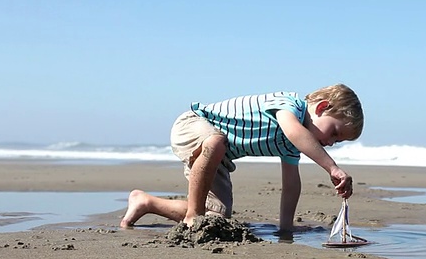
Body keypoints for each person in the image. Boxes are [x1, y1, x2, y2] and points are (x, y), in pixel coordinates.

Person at [120, 83, 364, 233]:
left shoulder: (292, 146)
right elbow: (293, 130)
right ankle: (192, 216)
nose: (331, 143)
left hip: (219, 157)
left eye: (337, 142)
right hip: (195, 125)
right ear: (321, 108)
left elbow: (291, 186)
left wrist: (286, 226)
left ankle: (145, 202)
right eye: (334, 133)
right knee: (215, 142)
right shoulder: (289, 104)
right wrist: (332, 167)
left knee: (216, 219)